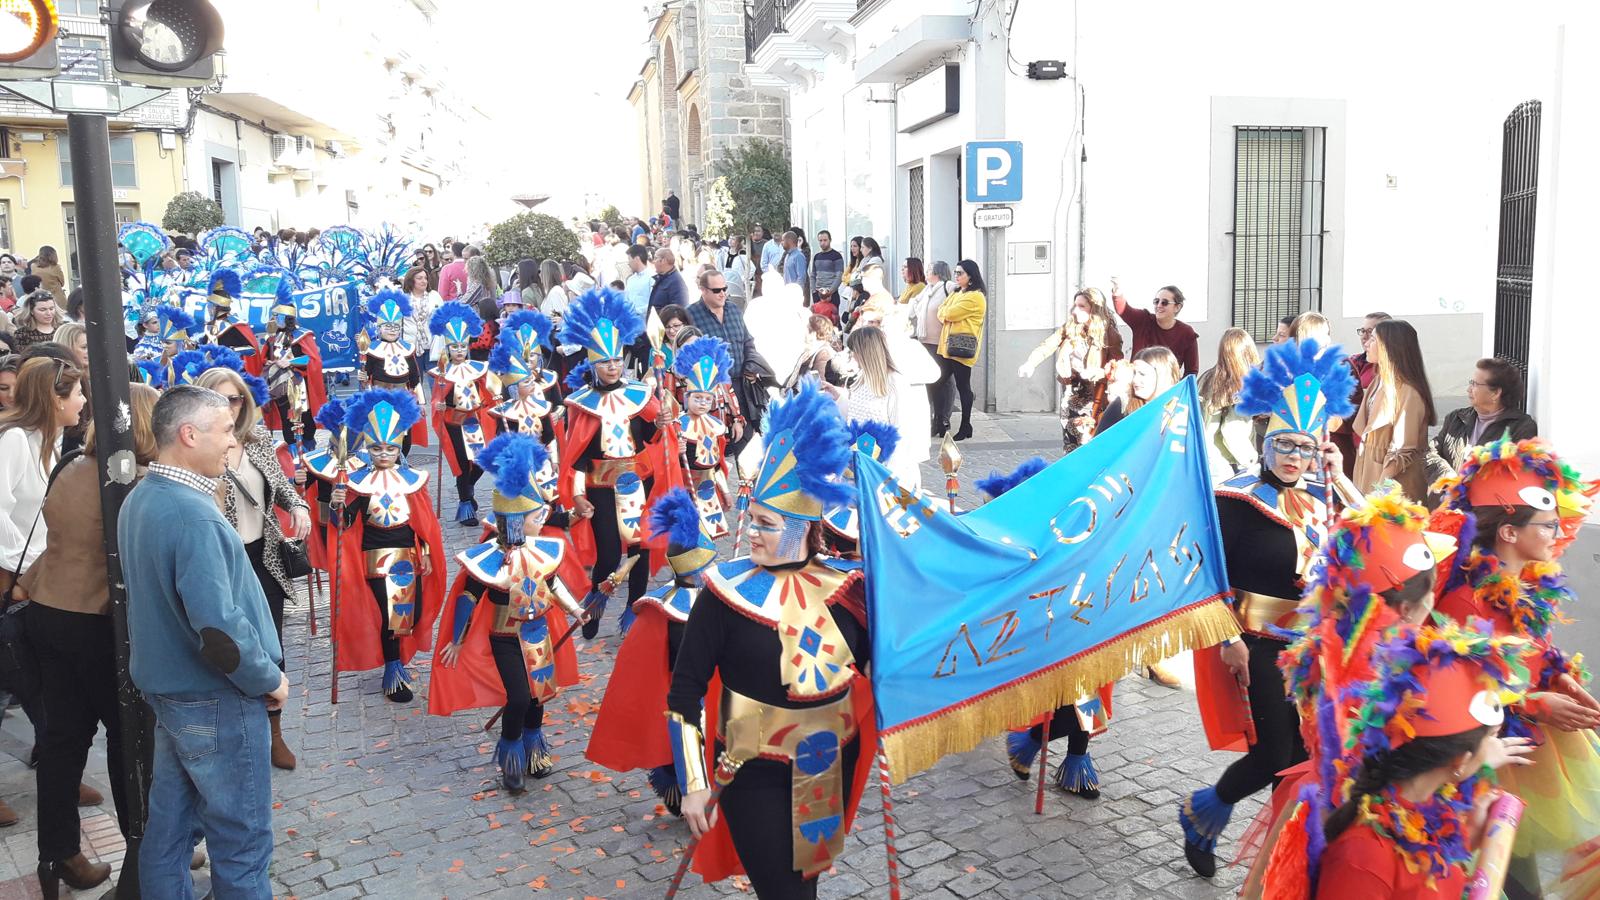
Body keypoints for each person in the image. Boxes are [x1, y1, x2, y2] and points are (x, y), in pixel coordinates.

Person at [668, 379, 872, 896]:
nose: (751, 531)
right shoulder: (723, 594)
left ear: (805, 527)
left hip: (828, 761)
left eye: (766, 522)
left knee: (805, 887)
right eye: (751, 519)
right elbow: (684, 693)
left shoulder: (849, 591)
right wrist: (693, 782)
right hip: (749, 767)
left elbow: (880, 670)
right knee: (782, 890)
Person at [1182, 339, 1359, 878]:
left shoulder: (1320, 498)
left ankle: (1268, 847)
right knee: (1276, 755)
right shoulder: (1235, 499)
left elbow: (1373, 538)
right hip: (1254, 644)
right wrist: (1227, 640)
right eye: (1284, 443)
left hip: (1311, 650)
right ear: (1265, 442)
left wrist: (1341, 475)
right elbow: (1206, 578)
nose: (1293, 456)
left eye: (1304, 447)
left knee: (1303, 755)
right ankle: (1208, 815)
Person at [118, 385, 287, 899]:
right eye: (223, 432)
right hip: (214, 697)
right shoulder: (191, 513)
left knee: (169, 831)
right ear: (188, 435)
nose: (232, 442)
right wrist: (269, 679)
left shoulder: (144, 496)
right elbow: (217, 628)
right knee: (241, 840)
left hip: (177, 694)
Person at [1430, 437, 1600, 894]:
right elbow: (1457, 687)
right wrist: (1532, 703)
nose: (1558, 532)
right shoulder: (1464, 601)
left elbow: (1528, 650)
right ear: (1508, 532)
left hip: (1531, 749)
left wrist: (1556, 673)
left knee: (1519, 869)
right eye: (1548, 524)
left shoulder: (1524, 585)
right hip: (1485, 759)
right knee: (1498, 871)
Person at [14, 382, 157, 892]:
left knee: (61, 741)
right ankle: (145, 854)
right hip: (99, 625)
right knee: (129, 742)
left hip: (48, 612)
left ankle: (58, 857)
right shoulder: (135, 481)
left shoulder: (71, 464)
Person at [1309, 622, 1532, 898]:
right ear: (1460, 761)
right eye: (1490, 739)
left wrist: (1468, 836)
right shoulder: (1363, 858)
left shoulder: (1432, 807)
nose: (1494, 747)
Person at [430, 433, 588, 792]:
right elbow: (468, 597)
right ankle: (511, 757)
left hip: (538, 632)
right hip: (504, 637)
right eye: (530, 518)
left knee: (539, 695)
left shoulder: (542, 550)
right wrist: (457, 639)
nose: (537, 522)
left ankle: (535, 750)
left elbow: (553, 585)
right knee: (518, 696)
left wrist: (577, 610)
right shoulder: (489, 554)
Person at [194, 366, 311, 772]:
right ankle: (236, 734)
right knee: (228, 647)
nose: (231, 407)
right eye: (221, 400)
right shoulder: (201, 451)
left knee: (270, 646)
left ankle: (273, 733)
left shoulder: (257, 443)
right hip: (222, 561)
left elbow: (281, 485)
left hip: (265, 557)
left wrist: (298, 506)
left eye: (236, 399)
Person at [556, 288, 683, 639]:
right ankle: (596, 605)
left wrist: (660, 427)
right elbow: (577, 455)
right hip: (599, 487)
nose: (612, 366)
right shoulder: (581, 404)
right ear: (593, 363)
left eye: (616, 360)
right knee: (610, 552)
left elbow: (652, 439)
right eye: (605, 361)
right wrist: (578, 495)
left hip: (637, 482)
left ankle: (635, 605)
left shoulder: (639, 395)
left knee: (639, 546)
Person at [586, 487, 717, 815]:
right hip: (683, 690)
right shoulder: (673, 610)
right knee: (683, 741)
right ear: (696, 568)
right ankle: (679, 788)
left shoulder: (678, 601)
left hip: (693, 687)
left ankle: (684, 787)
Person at [329, 389, 446, 702]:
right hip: (374, 558)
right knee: (388, 613)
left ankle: (398, 662)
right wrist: (337, 505)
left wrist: (425, 552)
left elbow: (422, 524)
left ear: (399, 449)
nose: (383, 454)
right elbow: (344, 524)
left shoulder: (412, 481)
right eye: (377, 448)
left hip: (408, 557)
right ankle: (393, 669)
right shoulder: (358, 484)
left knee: (407, 614)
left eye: (390, 449)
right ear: (368, 449)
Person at [1018, 287, 1123, 453]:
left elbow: (1118, 366)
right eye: (1075, 305)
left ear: (1094, 309)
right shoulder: (1070, 327)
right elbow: (1048, 345)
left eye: (1081, 306)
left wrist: (1099, 372)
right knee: (1069, 439)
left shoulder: (1109, 333)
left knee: (1088, 440)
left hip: (1094, 395)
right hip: (1070, 391)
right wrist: (1030, 363)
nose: (1075, 311)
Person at [1424, 357, 1537, 503]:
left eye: (1475, 384)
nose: (1468, 389)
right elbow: (1430, 452)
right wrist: (1445, 474)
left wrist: (1464, 486)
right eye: (1470, 382)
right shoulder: (1456, 418)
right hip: (1443, 511)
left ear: (1495, 393)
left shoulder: (1520, 427)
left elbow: (1513, 474)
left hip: (1483, 514)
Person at [686, 269, 770, 458]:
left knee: (746, 440)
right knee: (718, 443)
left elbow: (748, 341)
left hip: (742, 385)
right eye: (717, 290)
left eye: (725, 289)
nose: (722, 293)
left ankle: (746, 484)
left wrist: (751, 365)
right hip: (713, 390)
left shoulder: (733, 309)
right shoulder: (691, 314)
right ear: (703, 290)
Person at [428, 302, 497, 525]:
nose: (458, 350)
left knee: (479, 462)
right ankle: (465, 503)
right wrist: (438, 405)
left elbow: (489, 388)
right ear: (448, 348)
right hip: (453, 423)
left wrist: (496, 397)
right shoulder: (442, 372)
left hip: (474, 423)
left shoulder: (477, 368)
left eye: (462, 346)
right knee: (460, 464)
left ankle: (469, 486)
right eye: (454, 347)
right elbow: (437, 397)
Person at [1352, 319, 1435, 500]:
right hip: (1368, 473)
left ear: (1388, 347)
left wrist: (1380, 492)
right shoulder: (1378, 381)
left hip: (1392, 486)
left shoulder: (1408, 392)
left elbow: (1402, 448)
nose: (1366, 343)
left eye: (1373, 339)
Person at [672, 336, 736, 538]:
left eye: (707, 399)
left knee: (708, 535)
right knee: (686, 538)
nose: (702, 403)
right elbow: (664, 462)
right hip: (684, 489)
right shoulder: (677, 425)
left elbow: (716, 464)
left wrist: (725, 491)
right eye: (697, 398)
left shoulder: (715, 426)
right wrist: (675, 451)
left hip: (708, 490)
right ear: (686, 397)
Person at [357, 289, 427, 453]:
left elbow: (415, 379)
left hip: (403, 398)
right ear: (380, 328)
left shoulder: (407, 349)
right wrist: (363, 378)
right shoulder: (372, 350)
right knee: (384, 438)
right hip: (380, 399)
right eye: (387, 326)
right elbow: (366, 378)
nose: (392, 329)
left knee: (405, 439)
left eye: (395, 326)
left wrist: (421, 403)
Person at [260, 286, 326, 453]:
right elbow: (265, 359)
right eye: (273, 315)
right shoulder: (273, 338)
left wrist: (290, 362)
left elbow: (312, 360)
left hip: (299, 387)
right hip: (279, 388)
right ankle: (293, 458)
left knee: (305, 421)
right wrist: (269, 364)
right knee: (285, 421)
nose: (274, 319)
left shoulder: (304, 335)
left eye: (277, 315)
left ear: (287, 316)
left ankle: (308, 454)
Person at [1329, 311, 1392, 479]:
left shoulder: (1392, 377)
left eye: (1370, 332)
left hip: (1379, 453)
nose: (1365, 336)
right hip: (1355, 447)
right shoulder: (1352, 362)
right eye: (1362, 331)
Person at [1196, 328, 1262, 480]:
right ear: (1248, 353)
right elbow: (1233, 431)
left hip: (1205, 458)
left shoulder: (1206, 378)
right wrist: (1252, 461)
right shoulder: (1241, 386)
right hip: (1231, 465)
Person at [932, 259, 986, 441]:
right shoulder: (957, 292)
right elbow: (941, 311)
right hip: (948, 346)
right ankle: (939, 421)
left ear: (970, 276)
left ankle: (966, 425)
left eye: (960, 273)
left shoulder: (975, 296)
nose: (956, 276)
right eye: (955, 272)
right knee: (936, 383)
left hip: (962, 347)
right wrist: (945, 312)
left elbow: (948, 313)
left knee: (964, 387)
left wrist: (945, 313)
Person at [1110, 281, 1200, 376]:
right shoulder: (1143, 320)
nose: (1159, 305)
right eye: (1156, 301)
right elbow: (1124, 310)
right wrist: (1117, 292)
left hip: (1167, 387)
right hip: (1137, 383)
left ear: (1177, 307)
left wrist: (1178, 390)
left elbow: (1191, 371)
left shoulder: (1186, 333)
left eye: (1164, 302)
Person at [196, 270, 261, 367]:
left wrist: (230, 350)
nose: (208, 309)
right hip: (211, 368)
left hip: (230, 369)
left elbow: (252, 350)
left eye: (209, 306)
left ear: (216, 307)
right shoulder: (210, 324)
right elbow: (206, 345)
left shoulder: (236, 325)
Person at [402, 267, 443, 371]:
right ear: (411, 280)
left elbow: (443, 318)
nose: (424, 281)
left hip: (433, 345)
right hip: (411, 346)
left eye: (425, 278)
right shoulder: (403, 298)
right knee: (415, 383)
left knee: (435, 381)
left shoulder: (434, 296)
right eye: (419, 278)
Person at [720, 236, 755, 310]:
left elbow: (752, 268)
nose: (730, 240)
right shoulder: (725, 253)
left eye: (733, 239)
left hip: (738, 286)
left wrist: (743, 279)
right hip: (726, 283)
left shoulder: (742, 255)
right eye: (729, 238)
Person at [811, 231, 844, 302]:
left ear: (830, 240)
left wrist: (830, 291)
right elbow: (813, 275)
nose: (822, 243)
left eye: (825, 240)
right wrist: (814, 290)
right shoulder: (816, 256)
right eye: (820, 240)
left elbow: (839, 276)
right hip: (818, 294)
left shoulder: (836, 256)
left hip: (832, 295)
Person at [623, 244, 654, 317]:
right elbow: (626, 300)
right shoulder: (630, 279)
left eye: (629, 259)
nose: (628, 263)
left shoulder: (652, 277)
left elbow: (653, 305)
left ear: (637, 259)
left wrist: (635, 311)